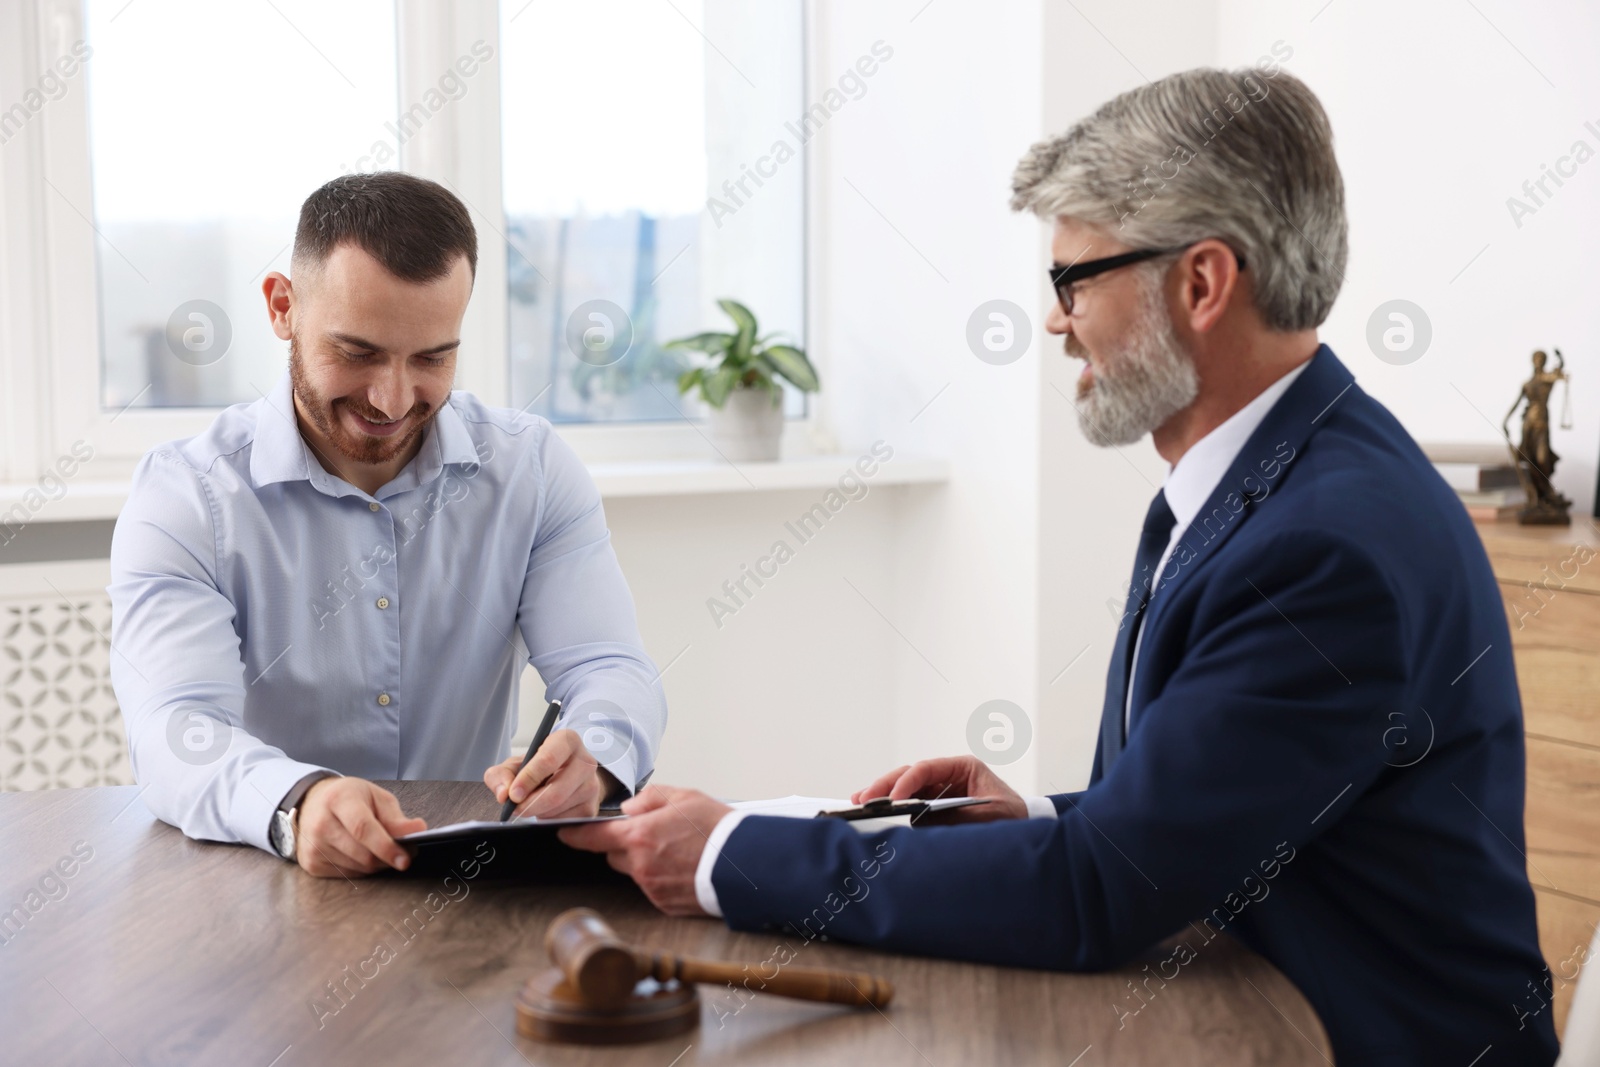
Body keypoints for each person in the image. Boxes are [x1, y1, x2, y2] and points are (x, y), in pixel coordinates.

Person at [561, 68, 1559, 1063]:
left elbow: (1099, 891)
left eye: (1073, 279)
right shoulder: (1277, 470)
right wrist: (1032, 812)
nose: (1053, 318)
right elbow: (1215, 808)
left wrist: (726, 856)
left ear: (1201, 283)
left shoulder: (1323, 551)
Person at [110, 173, 666, 879]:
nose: (392, 398)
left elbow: (609, 666)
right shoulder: (185, 496)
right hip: (262, 873)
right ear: (283, 307)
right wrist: (295, 802)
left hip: (472, 884)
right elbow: (175, 728)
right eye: (358, 351)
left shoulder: (533, 470)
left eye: (431, 357)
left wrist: (598, 756)